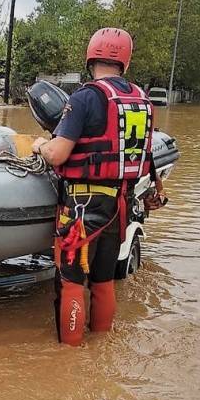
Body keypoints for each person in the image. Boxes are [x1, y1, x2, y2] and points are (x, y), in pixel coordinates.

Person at [31, 27, 163, 346]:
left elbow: (58, 153)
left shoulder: (85, 97)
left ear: (91, 59)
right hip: (119, 206)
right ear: (125, 62)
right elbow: (144, 154)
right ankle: (101, 349)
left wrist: (39, 146)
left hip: (82, 208)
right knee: (103, 283)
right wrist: (156, 191)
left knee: (71, 283)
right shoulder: (141, 100)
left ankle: (70, 359)